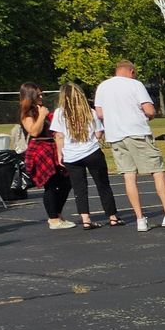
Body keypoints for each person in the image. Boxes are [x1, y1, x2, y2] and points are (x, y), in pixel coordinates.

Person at [93, 59, 165, 230]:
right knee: (157, 170)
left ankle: (140, 219)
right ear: (131, 71)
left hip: (115, 135)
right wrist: (148, 115)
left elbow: (100, 113)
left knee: (129, 175)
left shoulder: (103, 86)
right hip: (137, 132)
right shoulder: (135, 84)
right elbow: (149, 110)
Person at [51, 82, 121, 227]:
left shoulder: (59, 113)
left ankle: (86, 219)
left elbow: (59, 135)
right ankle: (113, 216)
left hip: (71, 155)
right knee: (103, 185)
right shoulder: (90, 112)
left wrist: (59, 153)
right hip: (92, 152)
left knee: (79, 188)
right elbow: (99, 133)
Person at [17, 83, 75, 230]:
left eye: (42, 94)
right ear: (30, 96)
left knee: (66, 182)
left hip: (52, 148)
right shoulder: (27, 113)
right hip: (39, 150)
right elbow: (34, 131)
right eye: (38, 94)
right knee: (49, 184)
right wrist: (42, 115)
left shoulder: (43, 110)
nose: (41, 97)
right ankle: (53, 219)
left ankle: (58, 213)